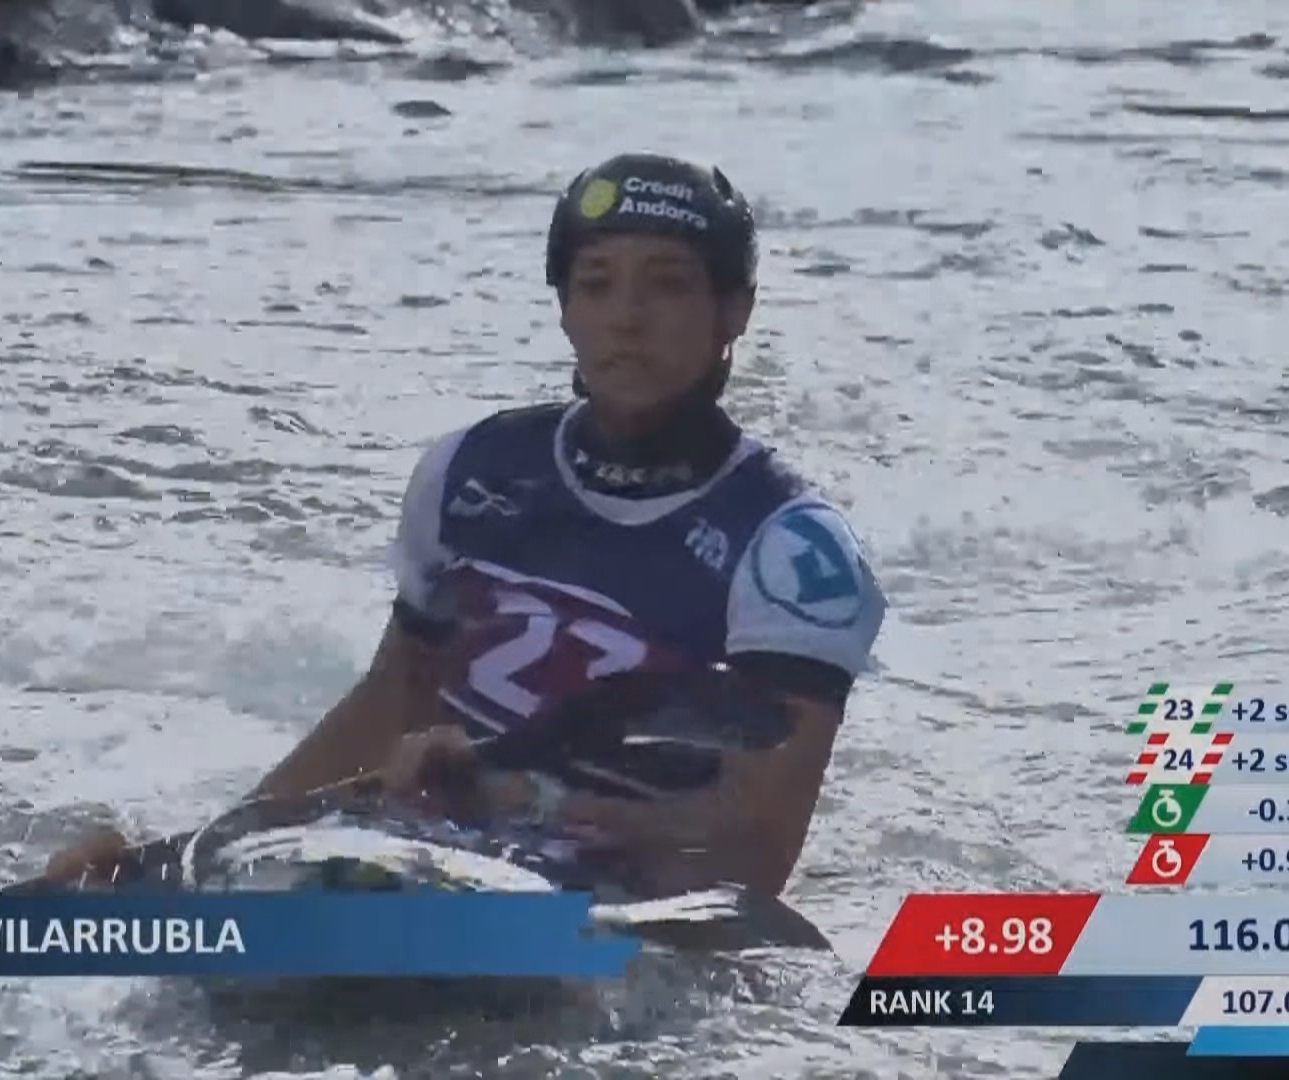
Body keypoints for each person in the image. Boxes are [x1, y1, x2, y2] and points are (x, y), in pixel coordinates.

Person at [45, 152, 887, 900]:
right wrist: (194, 863)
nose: (627, 318)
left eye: (667, 283)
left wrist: (521, 800)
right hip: (435, 863)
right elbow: (387, 708)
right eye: (596, 284)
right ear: (564, 309)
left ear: (733, 313)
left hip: (616, 909)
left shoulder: (792, 551)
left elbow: (757, 855)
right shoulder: (471, 473)